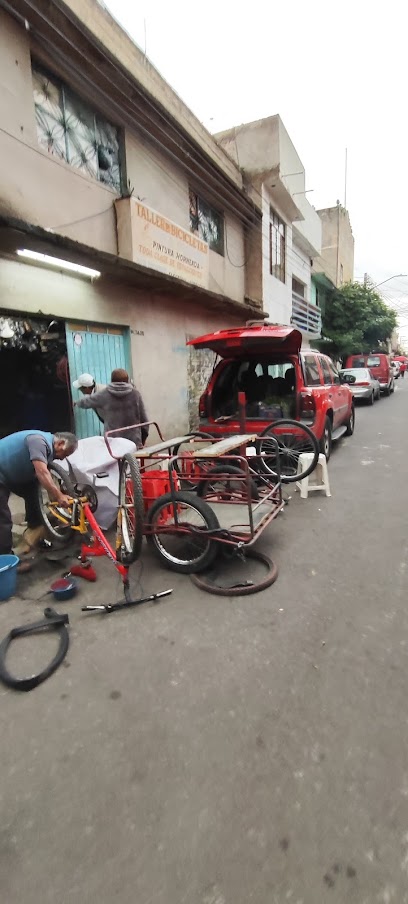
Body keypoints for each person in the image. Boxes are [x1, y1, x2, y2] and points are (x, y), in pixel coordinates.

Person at [0, 430, 78, 566]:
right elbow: (42, 472)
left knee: (34, 499)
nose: (62, 458)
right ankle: (6, 562)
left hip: (12, 473)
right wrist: (59, 496)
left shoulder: (48, 446)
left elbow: (44, 476)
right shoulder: (39, 442)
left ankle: (35, 537)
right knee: (3, 519)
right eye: (64, 454)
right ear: (59, 443)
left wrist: (55, 493)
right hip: (2, 474)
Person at [75, 369, 149, 448]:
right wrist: (143, 438)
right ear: (127, 380)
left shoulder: (104, 394)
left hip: (112, 441)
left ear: (112, 380)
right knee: (133, 460)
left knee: (116, 459)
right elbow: (144, 420)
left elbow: (87, 401)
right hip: (133, 440)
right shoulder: (135, 394)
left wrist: (77, 403)